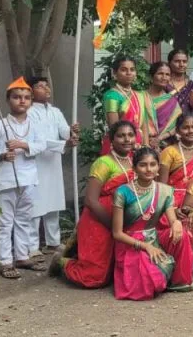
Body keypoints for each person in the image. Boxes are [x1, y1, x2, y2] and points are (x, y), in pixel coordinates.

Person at [49, 121, 136, 288]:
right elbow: (90, 200)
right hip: (100, 220)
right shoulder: (103, 163)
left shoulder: (135, 161)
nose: (127, 139)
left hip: (124, 219)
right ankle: (61, 261)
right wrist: (113, 226)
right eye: (121, 135)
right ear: (111, 139)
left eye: (130, 135)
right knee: (94, 277)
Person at [110, 148, 193, 300]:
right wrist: (146, 246)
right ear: (134, 168)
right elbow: (117, 233)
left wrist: (176, 223)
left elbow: (172, 218)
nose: (148, 169)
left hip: (154, 237)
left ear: (158, 168)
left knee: (183, 235)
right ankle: (160, 275)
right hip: (130, 243)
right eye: (143, 165)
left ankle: (178, 281)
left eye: (153, 164)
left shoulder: (165, 191)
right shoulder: (122, 192)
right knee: (152, 282)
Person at [0, 78, 46, 279]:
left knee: (23, 220)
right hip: (5, 180)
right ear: (8, 100)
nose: (22, 101)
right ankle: (5, 261)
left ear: (31, 101)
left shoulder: (35, 124)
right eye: (17, 97)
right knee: (5, 221)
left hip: (28, 179)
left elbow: (41, 145)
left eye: (26, 97)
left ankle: (21, 256)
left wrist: (24, 145)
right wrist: (2, 155)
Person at [26, 76, 79, 256]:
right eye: (40, 86)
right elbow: (37, 141)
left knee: (53, 200)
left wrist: (72, 132)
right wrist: (64, 145)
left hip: (53, 163)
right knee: (36, 203)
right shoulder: (29, 112)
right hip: (36, 162)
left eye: (46, 85)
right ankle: (32, 246)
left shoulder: (55, 111)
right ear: (31, 92)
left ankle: (53, 242)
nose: (45, 89)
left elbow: (64, 132)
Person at [102, 55, 157, 153]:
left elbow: (144, 124)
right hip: (121, 145)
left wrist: (145, 145)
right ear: (115, 73)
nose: (129, 73)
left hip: (139, 146)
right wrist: (130, 145)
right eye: (124, 70)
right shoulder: (112, 96)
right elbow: (114, 127)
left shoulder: (140, 95)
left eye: (132, 70)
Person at [158, 115, 193, 208]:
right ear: (177, 131)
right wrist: (171, 209)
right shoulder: (169, 152)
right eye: (186, 128)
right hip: (171, 202)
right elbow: (162, 187)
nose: (191, 131)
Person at [147, 62, 182, 147]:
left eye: (167, 74)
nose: (164, 77)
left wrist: (160, 138)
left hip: (166, 145)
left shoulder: (172, 101)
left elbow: (179, 125)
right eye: (160, 74)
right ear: (151, 76)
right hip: (143, 144)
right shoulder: (140, 97)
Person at [166, 49, 193, 114]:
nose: (181, 64)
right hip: (168, 122)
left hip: (188, 123)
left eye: (184, 61)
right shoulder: (164, 85)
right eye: (177, 61)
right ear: (169, 63)